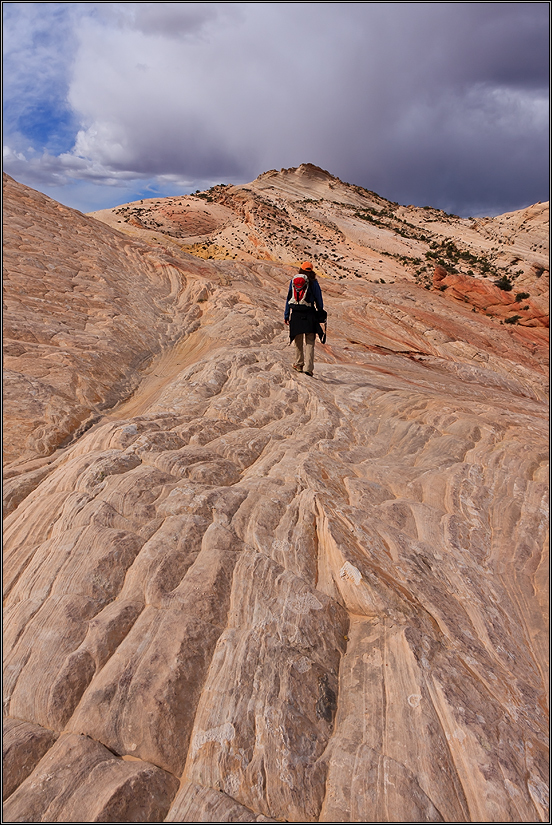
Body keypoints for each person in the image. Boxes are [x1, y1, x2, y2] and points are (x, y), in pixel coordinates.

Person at [284, 262, 325, 376]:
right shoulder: (314, 283)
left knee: (298, 340)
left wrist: (286, 315)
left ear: (300, 270)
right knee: (310, 341)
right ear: (311, 271)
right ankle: (308, 368)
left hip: (296, 313)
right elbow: (319, 299)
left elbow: (289, 298)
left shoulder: (293, 281)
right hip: (310, 313)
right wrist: (320, 311)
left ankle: (298, 364)